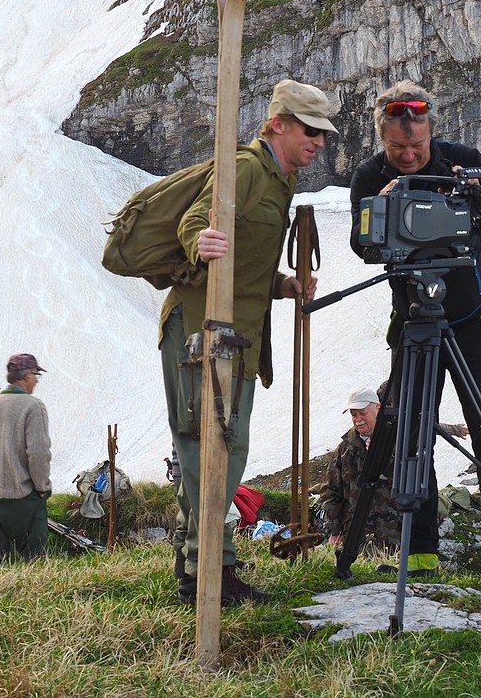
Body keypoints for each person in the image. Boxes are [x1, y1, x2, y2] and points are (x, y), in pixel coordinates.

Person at [348, 80, 481, 595]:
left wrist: (475, 196)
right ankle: (421, 552)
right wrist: (380, 208)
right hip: (412, 319)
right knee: (411, 434)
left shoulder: (461, 160)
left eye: (417, 146)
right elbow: (362, 247)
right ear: (382, 140)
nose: (408, 156)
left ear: (433, 132)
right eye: (397, 149)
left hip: (472, 315)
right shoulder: (370, 175)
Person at [162, 79, 333, 604]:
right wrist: (200, 240)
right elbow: (199, 221)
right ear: (278, 123)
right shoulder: (247, 168)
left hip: (236, 337)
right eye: (310, 130)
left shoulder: (281, 181)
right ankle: (214, 572)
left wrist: (280, 284)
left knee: (217, 448)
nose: (319, 142)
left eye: (323, 133)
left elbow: (245, 262)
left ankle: (194, 571)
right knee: (210, 452)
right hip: (201, 332)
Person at [321, 386, 467, 571]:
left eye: (362, 413)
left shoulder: (402, 441)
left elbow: (413, 478)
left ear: (378, 409)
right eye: (353, 415)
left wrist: (385, 455)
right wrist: (335, 531)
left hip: (396, 537)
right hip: (356, 540)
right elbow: (331, 490)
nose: (358, 420)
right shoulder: (344, 449)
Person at [0, 353, 53, 565]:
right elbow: (39, 453)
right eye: (35, 374)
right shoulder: (32, 406)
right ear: (24, 376)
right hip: (21, 498)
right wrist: (42, 488)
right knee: (35, 564)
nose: (36, 380)